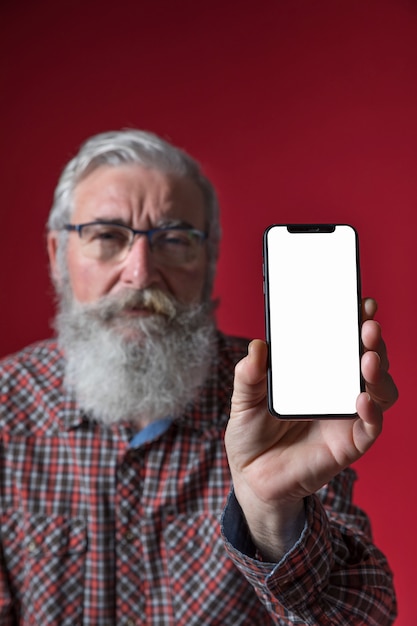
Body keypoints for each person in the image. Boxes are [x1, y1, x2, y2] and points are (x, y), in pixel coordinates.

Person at [0, 129, 398, 626]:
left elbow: (362, 617)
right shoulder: (5, 410)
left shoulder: (277, 404)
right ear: (58, 254)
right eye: (106, 237)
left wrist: (270, 513)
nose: (140, 274)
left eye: (173, 240)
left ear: (209, 261)